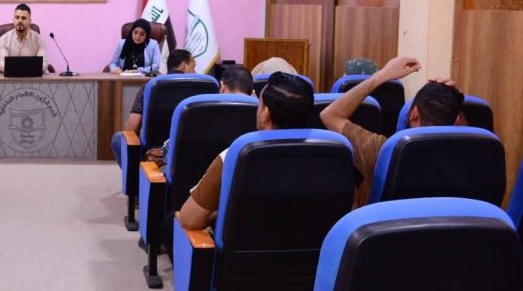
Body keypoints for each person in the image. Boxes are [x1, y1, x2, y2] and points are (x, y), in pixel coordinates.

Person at [177, 71, 315, 232]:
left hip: (245, 247)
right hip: (311, 246)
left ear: (265, 114)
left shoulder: (238, 155)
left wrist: (220, 212)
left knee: (171, 222)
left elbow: (189, 220)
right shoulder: (329, 155)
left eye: (259, 103)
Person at [320, 56, 464, 208]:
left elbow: (329, 115)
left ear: (414, 114)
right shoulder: (465, 159)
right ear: (457, 120)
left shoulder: (385, 151)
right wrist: (455, 100)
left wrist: (383, 74)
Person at [0, 3, 46, 73]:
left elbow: (44, 64)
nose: (20, 21)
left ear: (30, 21)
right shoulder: (4, 39)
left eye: (23, 18)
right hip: (11, 77)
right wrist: (26, 68)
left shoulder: (38, 39)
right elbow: (1, 64)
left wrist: (18, 68)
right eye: (17, 17)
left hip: (33, 77)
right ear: (13, 20)